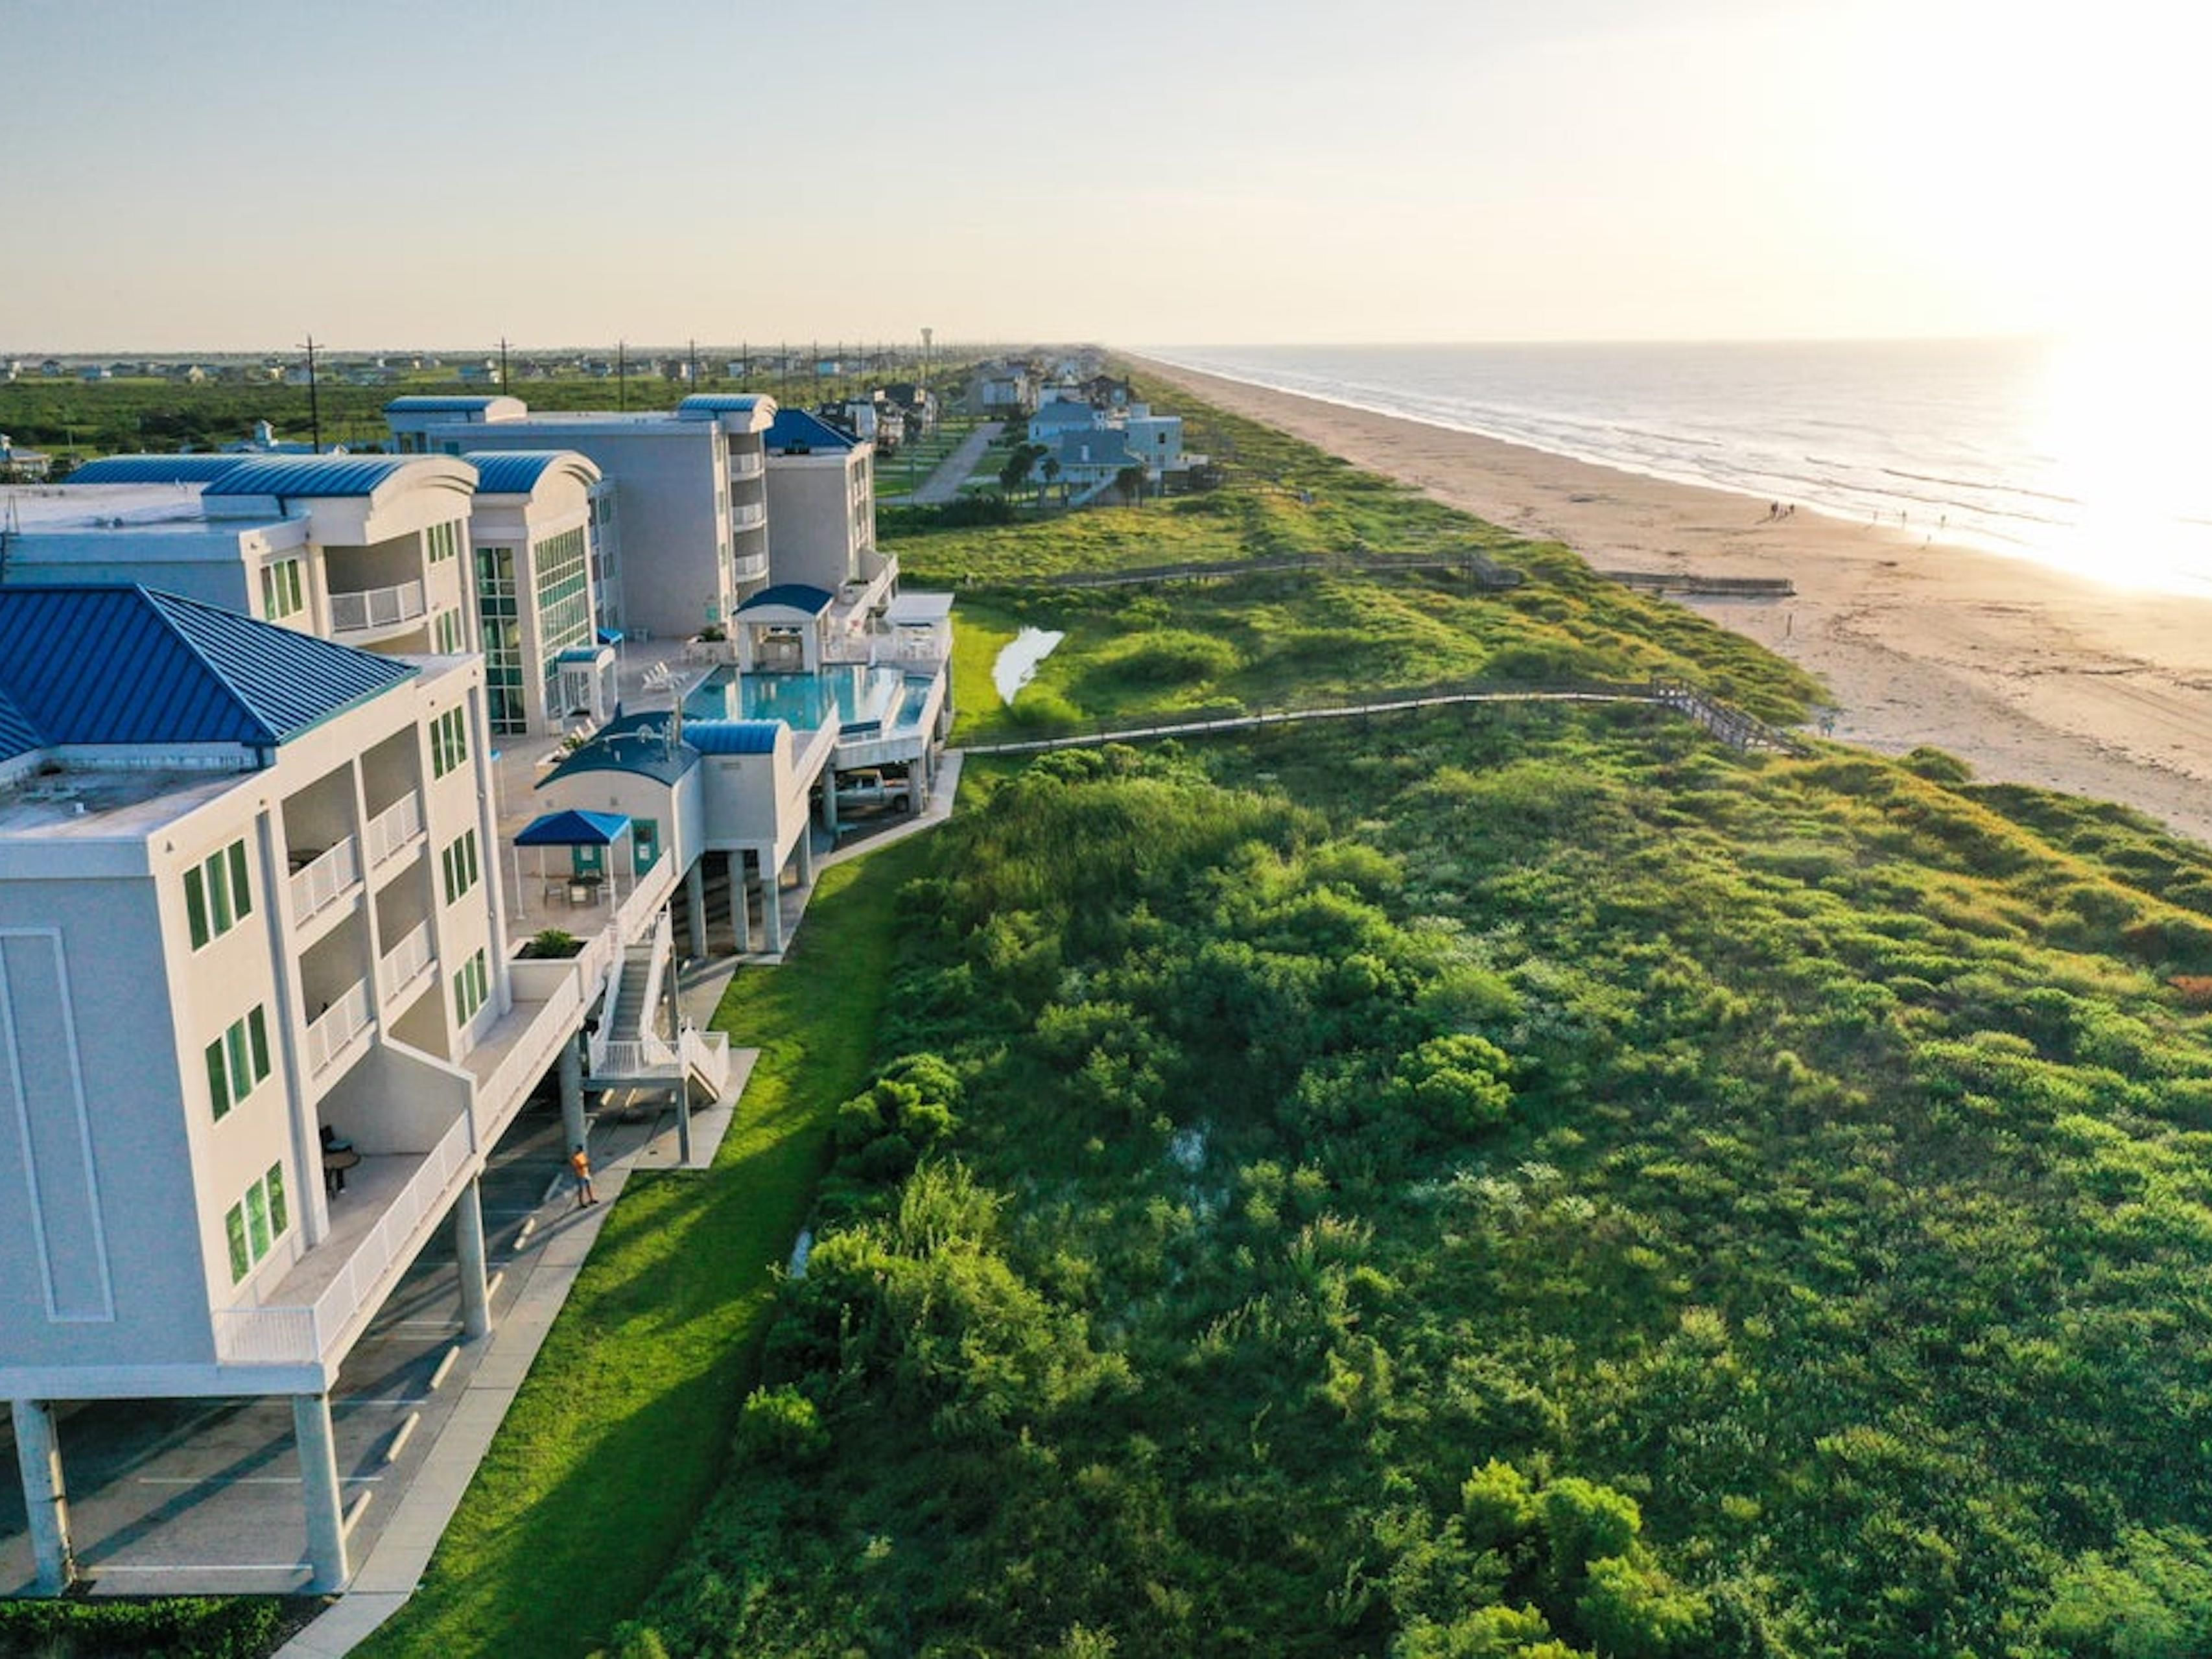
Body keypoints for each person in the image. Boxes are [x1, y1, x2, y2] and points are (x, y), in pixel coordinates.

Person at [570, 1143, 597, 1208]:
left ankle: (591, 1199)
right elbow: (576, 1167)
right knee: (581, 1189)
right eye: (579, 1149)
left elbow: (586, 1161)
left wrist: (589, 1168)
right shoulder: (574, 1157)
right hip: (580, 1175)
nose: (581, 1150)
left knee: (589, 1186)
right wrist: (585, 1165)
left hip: (586, 1173)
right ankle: (581, 1203)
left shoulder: (582, 1154)